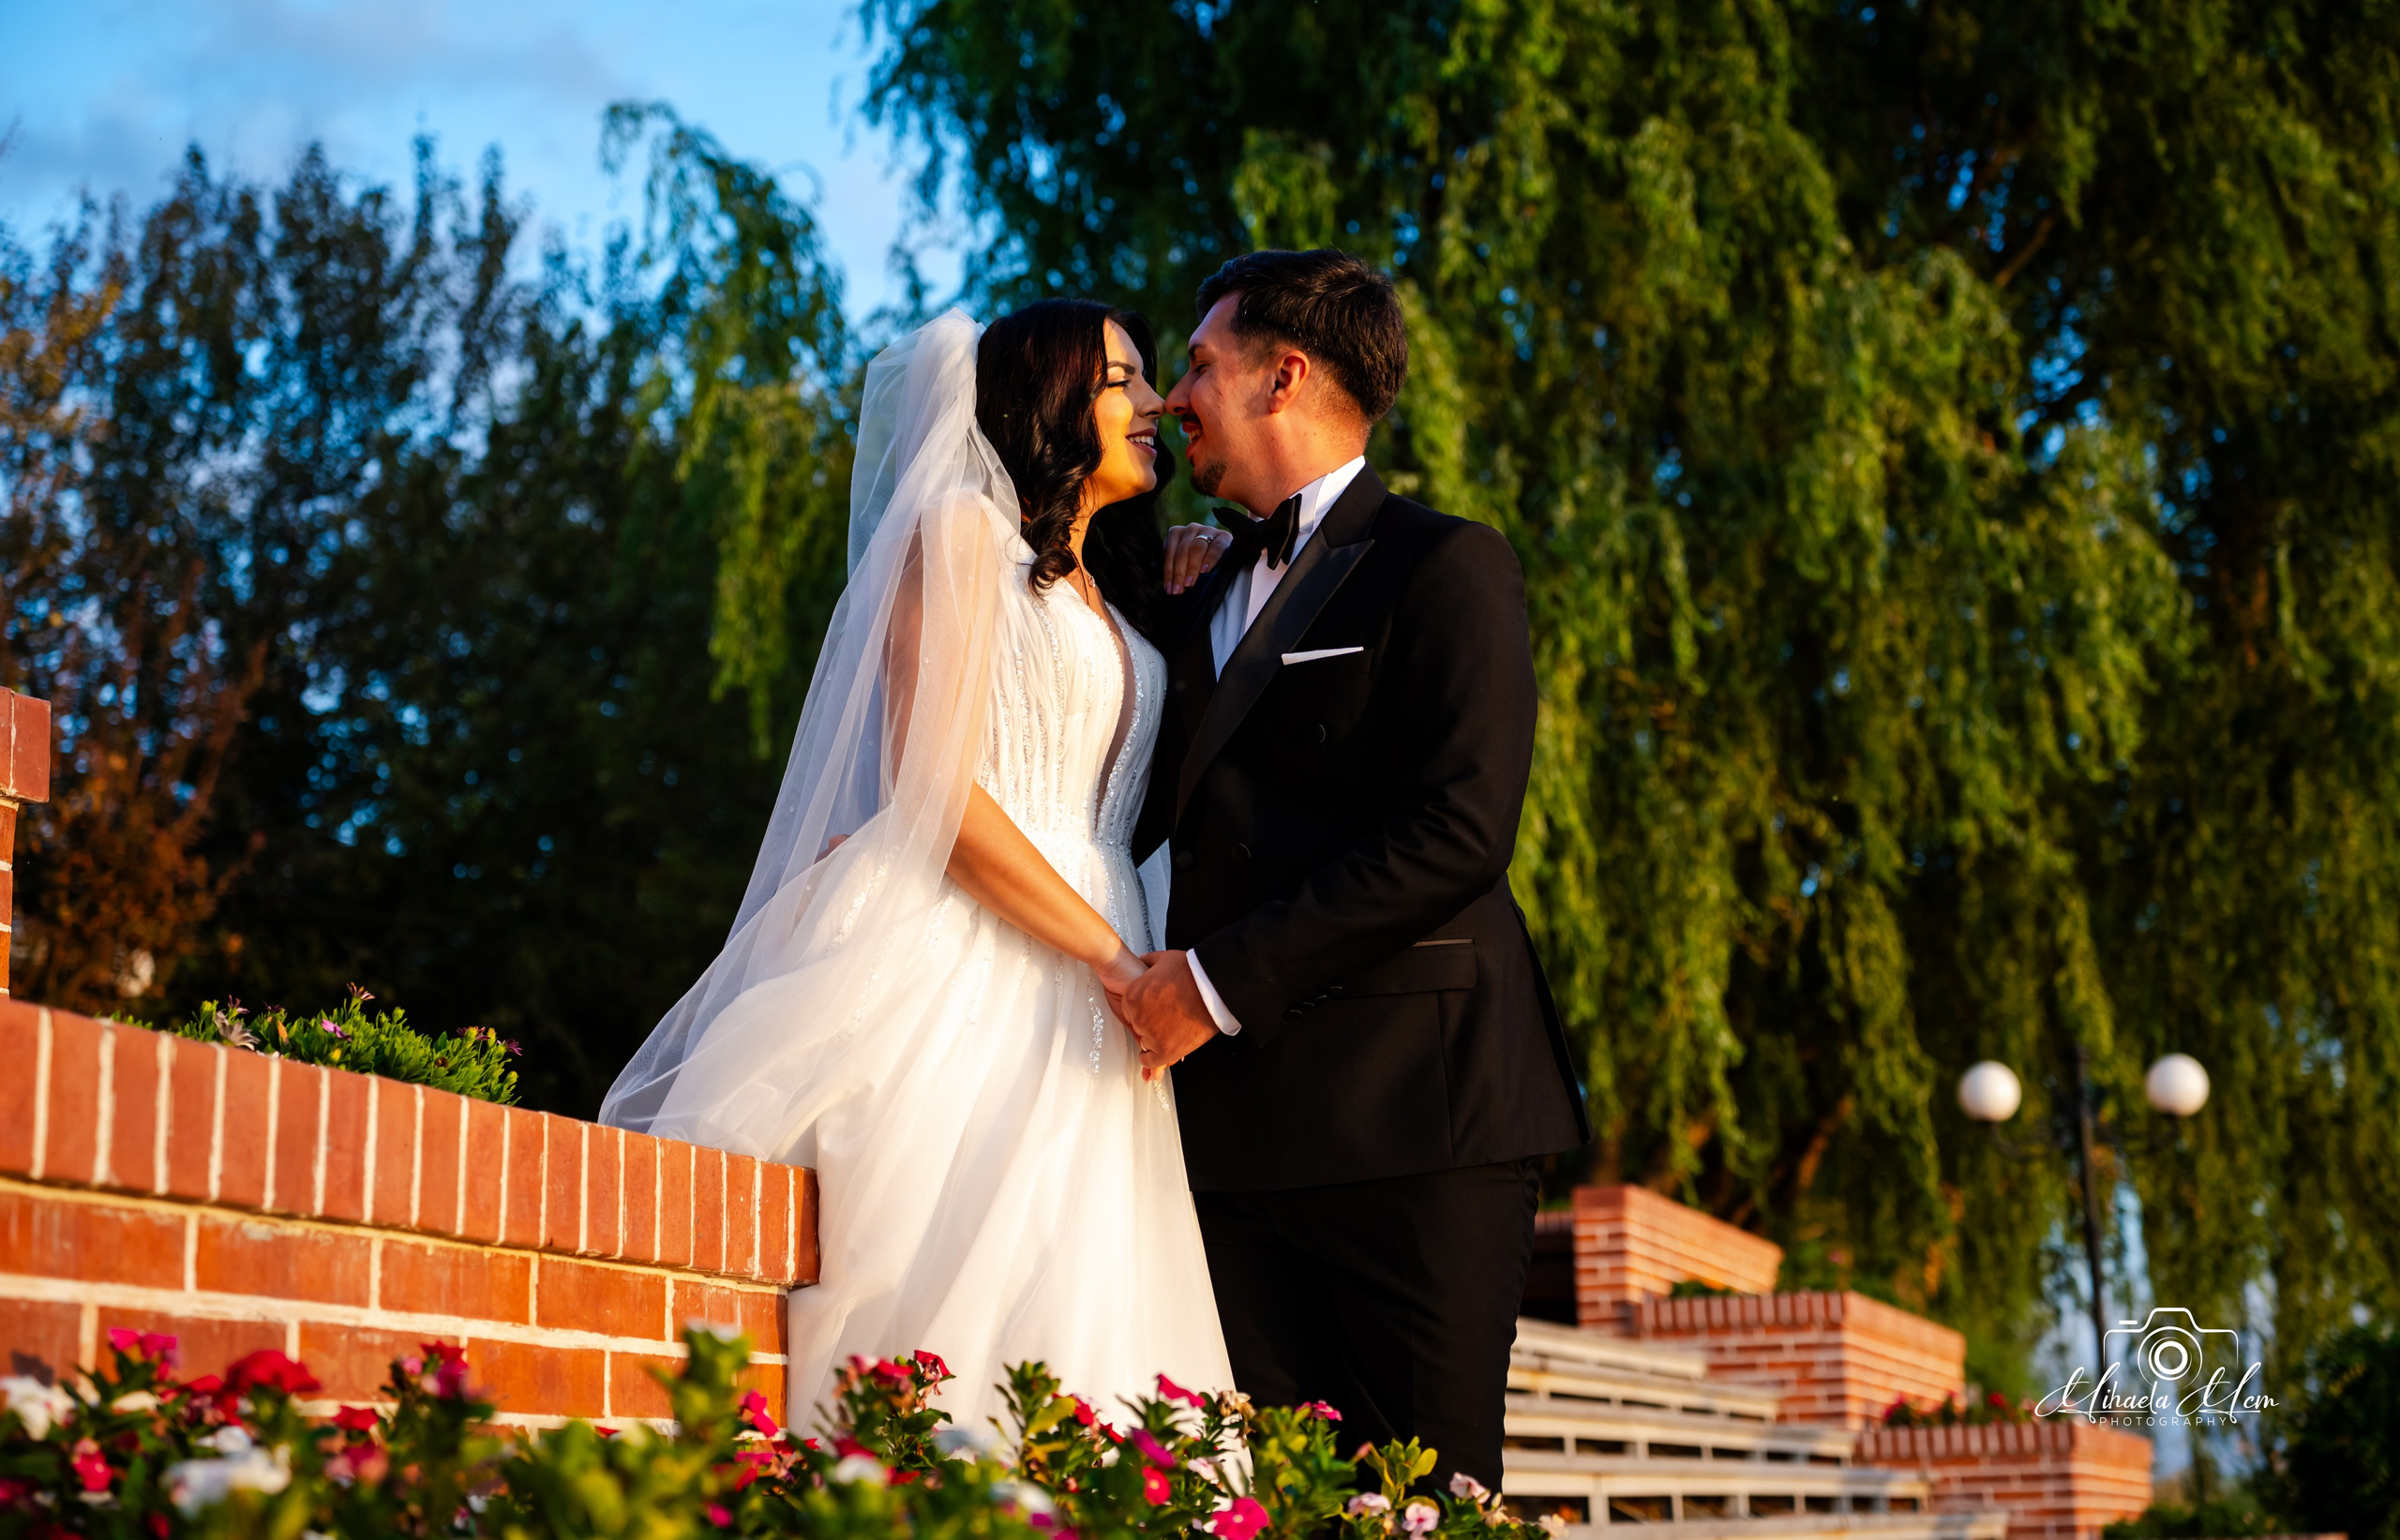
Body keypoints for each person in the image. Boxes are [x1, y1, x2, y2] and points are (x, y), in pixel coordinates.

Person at [598, 302, 1233, 1431]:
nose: (1150, 408)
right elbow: (933, 793)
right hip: (987, 954)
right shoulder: (954, 535)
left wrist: (1194, 595)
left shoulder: (1119, 591)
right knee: (952, 1266)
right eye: (1121, 381)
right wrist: (1114, 961)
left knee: (1082, 1275)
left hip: (1105, 971)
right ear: (1048, 405)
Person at [1120, 248, 1592, 1489]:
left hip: (1415, 1129)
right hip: (1227, 1142)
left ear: (1284, 375)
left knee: (1426, 1501)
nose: (1176, 395)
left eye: (1200, 365)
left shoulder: (1444, 565)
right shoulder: (1198, 584)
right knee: (1273, 1501)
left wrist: (1209, 984)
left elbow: (1457, 829)